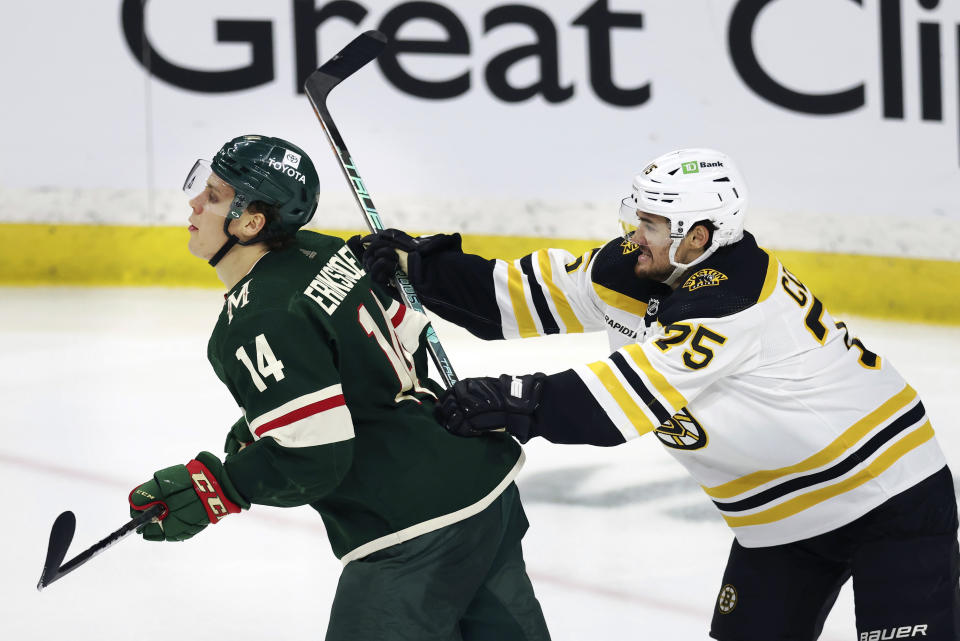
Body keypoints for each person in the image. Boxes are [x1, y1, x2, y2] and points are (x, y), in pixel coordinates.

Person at [352, 149, 960, 640]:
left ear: (698, 236)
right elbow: (529, 293)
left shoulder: (731, 301)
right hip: (776, 522)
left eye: (650, 225)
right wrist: (422, 267)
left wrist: (515, 400)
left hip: (889, 496)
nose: (633, 237)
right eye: (637, 219)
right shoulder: (643, 267)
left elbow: (629, 395)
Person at [127, 134, 551, 641]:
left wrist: (220, 486)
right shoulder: (322, 251)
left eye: (214, 195)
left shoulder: (254, 321)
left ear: (251, 222)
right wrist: (276, 413)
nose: (194, 202)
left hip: (413, 532)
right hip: (485, 489)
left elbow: (316, 459)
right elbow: (401, 345)